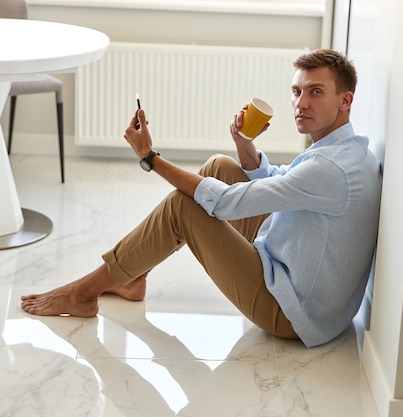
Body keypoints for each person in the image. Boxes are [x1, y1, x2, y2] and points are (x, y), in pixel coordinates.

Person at [21, 48, 382, 348]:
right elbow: (283, 182)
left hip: (292, 313)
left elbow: (226, 203)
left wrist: (150, 157)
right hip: (309, 287)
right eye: (296, 91)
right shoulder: (348, 149)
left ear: (345, 100)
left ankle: (85, 292)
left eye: (315, 92)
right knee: (220, 166)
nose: (300, 103)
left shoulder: (329, 169)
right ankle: (131, 274)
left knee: (183, 208)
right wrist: (245, 147)